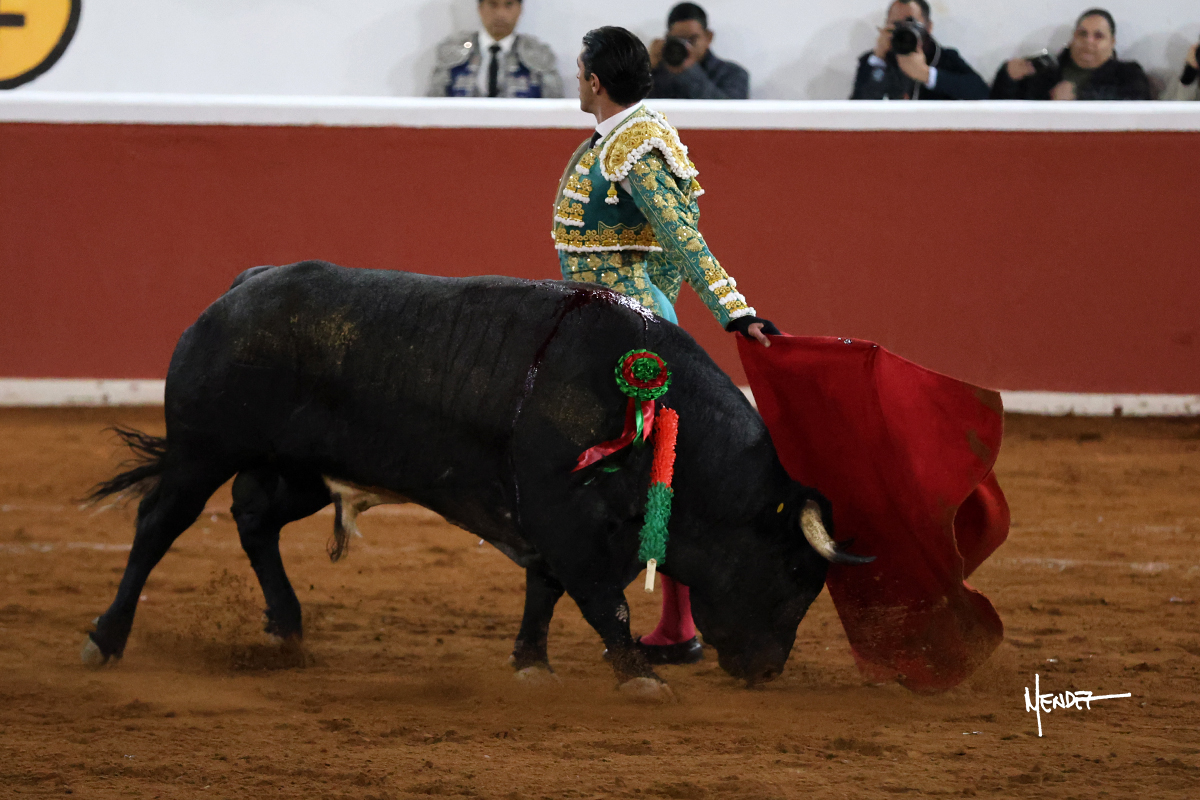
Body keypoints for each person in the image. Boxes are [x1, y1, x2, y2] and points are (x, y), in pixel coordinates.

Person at [555, 26, 777, 665]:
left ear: (595, 81)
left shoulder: (634, 149)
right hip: (612, 322)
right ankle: (675, 623)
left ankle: (678, 622)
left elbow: (683, 240)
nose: (577, 79)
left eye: (579, 71)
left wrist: (735, 312)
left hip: (629, 337)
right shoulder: (628, 138)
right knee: (651, 472)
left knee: (649, 474)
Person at [991, 9, 1150, 100]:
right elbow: (1005, 112)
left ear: (1112, 42)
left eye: (1098, 36)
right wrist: (1008, 79)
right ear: (1073, 38)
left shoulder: (1128, 74)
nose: (1089, 41)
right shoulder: (1046, 72)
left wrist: (1080, 97)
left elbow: (1136, 103)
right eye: (1082, 34)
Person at [851, 0, 988, 100]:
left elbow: (981, 93)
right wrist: (878, 60)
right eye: (896, 24)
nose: (904, 30)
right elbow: (855, 111)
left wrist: (927, 75)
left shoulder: (944, 58)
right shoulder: (875, 60)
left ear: (929, 27)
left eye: (911, 24)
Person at [427, 0, 563, 98]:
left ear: (520, 9)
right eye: (493, 4)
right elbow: (434, 106)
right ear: (480, 8)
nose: (500, 14)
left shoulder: (539, 54)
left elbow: (552, 110)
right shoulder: (453, 50)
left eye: (509, 4)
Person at [648, 3, 749, 99]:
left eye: (692, 39)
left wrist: (689, 70)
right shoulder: (659, 72)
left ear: (709, 37)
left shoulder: (733, 74)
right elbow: (638, 109)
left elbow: (728, 112)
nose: (686, 46)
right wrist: (646, 69)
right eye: (679, 39)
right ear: (668, 38)